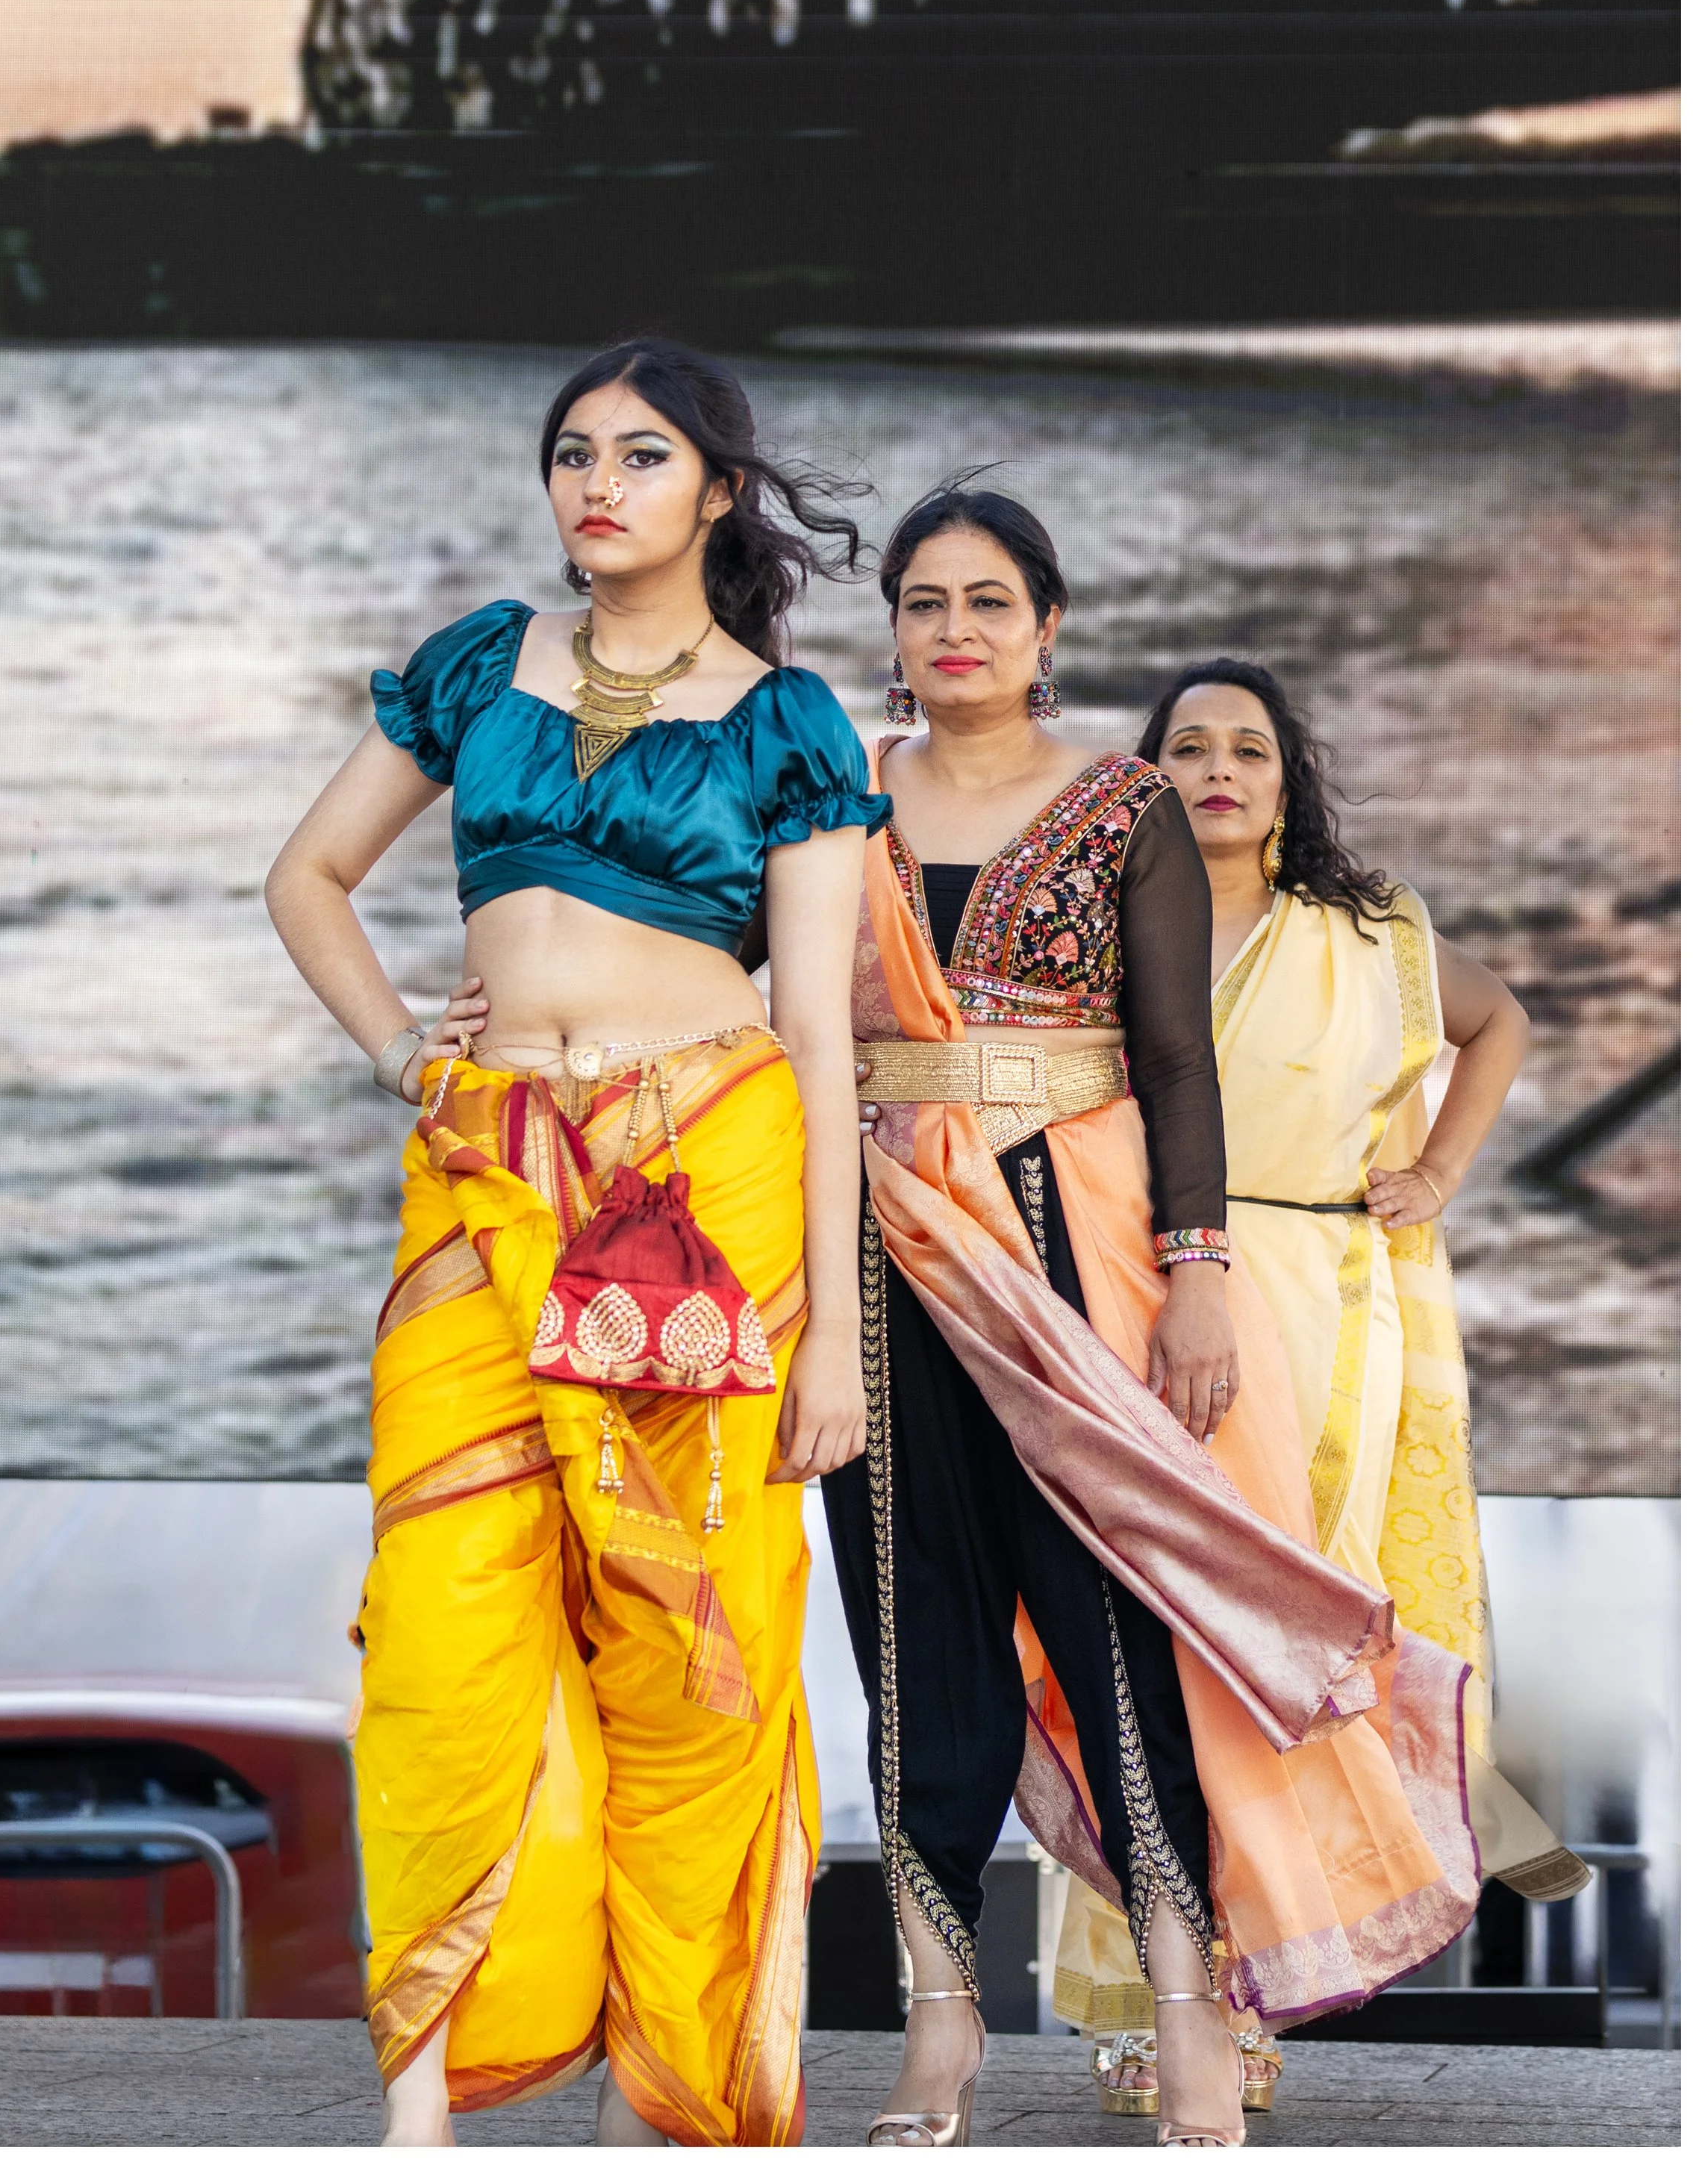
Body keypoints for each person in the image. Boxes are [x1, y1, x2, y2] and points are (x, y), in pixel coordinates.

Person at [264, 340, 888, 2147]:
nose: (595, 483)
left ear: (718, 490)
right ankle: (421, 2103)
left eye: (640, 453)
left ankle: (671, 2100)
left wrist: (835, 1340)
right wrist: (402, 1049)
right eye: (570, 452)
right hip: (485, 1168)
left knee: (687, 1639)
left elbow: (822, 1035)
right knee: (441, 1617)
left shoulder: (788, 722)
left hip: (698, 1179)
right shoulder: (481, 662)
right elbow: (305, 875)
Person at [826, 487, 1483, 2151]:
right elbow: (755, 1000)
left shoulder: (1123, 807)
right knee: (913, 1638)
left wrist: (1197, 1273)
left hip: (1080, 1253)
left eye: (988, 600)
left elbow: (1176, 1056)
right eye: (923, 602)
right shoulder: (833, 796)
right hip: (885, 1247)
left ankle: (1190, 2008)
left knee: (1118, 1628)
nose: (954, 630)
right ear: (892, 629)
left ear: (1047, 627)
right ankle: (940, 2019)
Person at [1057, 658, 1587, 2113]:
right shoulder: (1090, 931)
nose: (1218, 770)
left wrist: (1437, 1169)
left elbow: (1497, 1021)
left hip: (1316, 1302)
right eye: (1187, 747)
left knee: (1281, 1640)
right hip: (1134, 1292)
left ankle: (1249, 1984)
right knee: (1147, 1640)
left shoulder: (1368, 932)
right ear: (1144, 779)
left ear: (1287, 782)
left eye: (1249, 748)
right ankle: (1153, 1987)